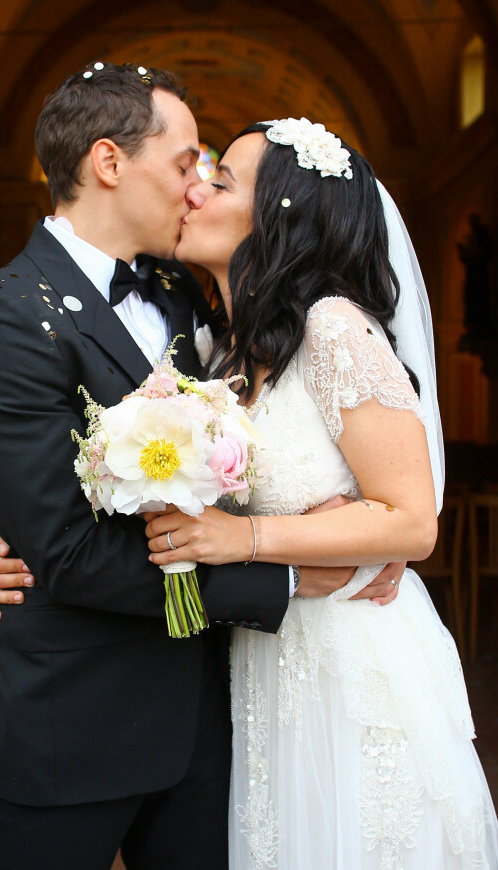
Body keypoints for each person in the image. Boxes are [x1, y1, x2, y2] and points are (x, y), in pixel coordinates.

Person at [0, 63, 399, 870]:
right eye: (189, 161)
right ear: (110, 163)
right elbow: (73, 552)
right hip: (69, 730)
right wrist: (290, 576)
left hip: (212, 733)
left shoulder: (191, 300)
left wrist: (348, 520)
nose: (197, 186)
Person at [139, 122, 498, 868]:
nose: (195, 188)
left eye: (223, 179)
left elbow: (410, 520)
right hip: (263, 665)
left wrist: (249, 539)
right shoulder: (220, 356)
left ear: (281, 216)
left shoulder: (334, 329)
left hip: (352, 663)